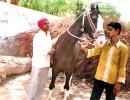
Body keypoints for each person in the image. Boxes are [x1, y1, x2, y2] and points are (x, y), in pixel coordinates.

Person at [80, 22, 128, 100]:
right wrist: (83, 48)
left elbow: (122, 67)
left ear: (117, 31)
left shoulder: (123, 48)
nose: (107, 31)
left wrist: (119, 83)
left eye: (110, 29)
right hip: (99, 79)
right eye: (107, 29)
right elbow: (92, 52)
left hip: (112, 82)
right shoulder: (104, 44)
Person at [28, 18, 54, 100]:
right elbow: (37, 48)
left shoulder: (49, 34)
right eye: (45, 23)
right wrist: (48, 52)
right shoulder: (37, 35)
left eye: (48, 23)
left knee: (42, 84)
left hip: (46, 63)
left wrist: (51, 50)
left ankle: (37, 98)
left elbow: (49, 45)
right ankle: (30, 98)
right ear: (40, 25)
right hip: (38, 64)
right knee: (34, 83)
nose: (47, 25)